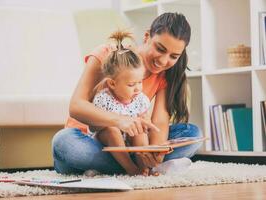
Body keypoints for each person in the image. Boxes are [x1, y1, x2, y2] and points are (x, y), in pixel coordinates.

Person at [52, 12, 202, 176]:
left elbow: (159, 122)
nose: (163, 61)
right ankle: (134, 168)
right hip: (89, 140)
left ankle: (132, 166)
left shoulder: (164, 75)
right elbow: (76, 106)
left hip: (131, 145)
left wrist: (154, 152)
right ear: (146, 37)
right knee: (63, 142)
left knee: (193, 135)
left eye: (173, 56)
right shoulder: (108, 54)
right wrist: (121, 121)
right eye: (160, 49)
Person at [90, 30, 153, 176]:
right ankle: (130, 167)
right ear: (112, 84)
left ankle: (145, 167)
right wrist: (113, 123)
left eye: (140, 82)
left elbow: (146, 119)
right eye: (131, 85)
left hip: (130, 141)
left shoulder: (140, 99)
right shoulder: (103, 98)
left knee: (141, 131)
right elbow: (93, 126)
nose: (138, 88)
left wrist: (145, 122)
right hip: (107, 142)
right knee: (112, 129)